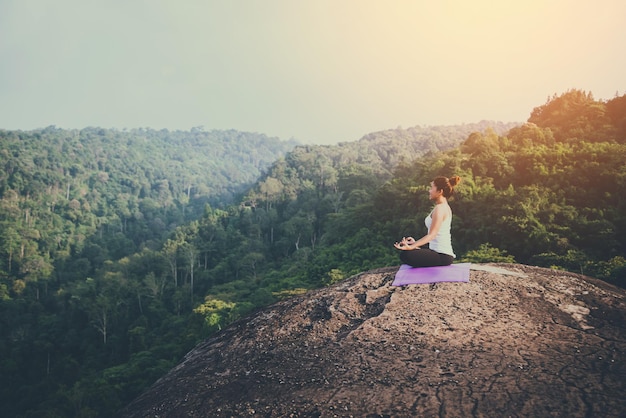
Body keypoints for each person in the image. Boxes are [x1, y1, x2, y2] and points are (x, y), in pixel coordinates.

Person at [394, 176, 461, 267]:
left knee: (405, 255)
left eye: (432, 188)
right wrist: (415, 244)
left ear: (440, 192)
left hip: (442, 255)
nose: (429, 191)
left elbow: (432, 235)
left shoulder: (440, 209)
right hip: (437, 250)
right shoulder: (442, 207)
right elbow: (434, 237)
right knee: (408, 250)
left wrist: (411, 247)